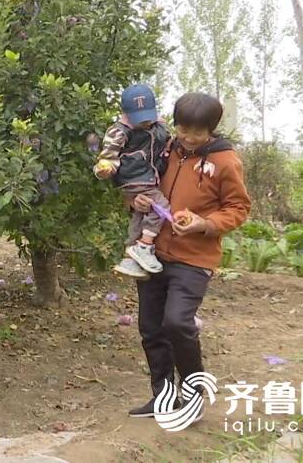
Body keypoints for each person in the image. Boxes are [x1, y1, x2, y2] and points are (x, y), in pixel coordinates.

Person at [126, 92, 251, 422]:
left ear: (212, 129)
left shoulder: (225, 161)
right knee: (151, 328)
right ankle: (164, 398)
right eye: (183, 130)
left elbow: (238, 208)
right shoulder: (165, 148)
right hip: (152, 253)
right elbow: (145, 183)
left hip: (194, 259)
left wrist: (204, 224)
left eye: (198, 133)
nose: (190, 138)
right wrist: (136, 201)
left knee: (177, 323)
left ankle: (193, 398)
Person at [94, 83, 171, 278]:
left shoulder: (158, 126)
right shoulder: (120, 131)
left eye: (148, 118)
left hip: (145, 177)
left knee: (140, 215)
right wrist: (105, 168)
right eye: (139, 120)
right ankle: (144, 246)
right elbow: (107, 155)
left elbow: (168, 140)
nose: (145, 124)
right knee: (160, 207)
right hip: (136, 178)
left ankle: (130, 256)